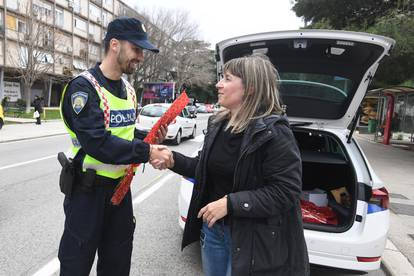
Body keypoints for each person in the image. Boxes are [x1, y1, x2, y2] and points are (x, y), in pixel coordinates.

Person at [151, 54, 309, 276]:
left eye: (227, 78)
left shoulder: (275, 132)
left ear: (250, 88)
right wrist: (172, 159)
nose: (218, 84)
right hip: (213, 231)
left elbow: (285, 191)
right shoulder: (218, 124)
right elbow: (204, 170)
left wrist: (231, 204)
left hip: (250, 238)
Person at [58, 17, 171, 276]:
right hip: (87, 193)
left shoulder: (130, 91)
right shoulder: (84, 87)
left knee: (117, 265)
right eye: (137, 49)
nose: (141, 57)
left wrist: (149, 137)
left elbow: (123, 133)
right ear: (115, 45)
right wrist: (146, 152)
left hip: (120, 192)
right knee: (76, 266)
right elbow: (97, 141)